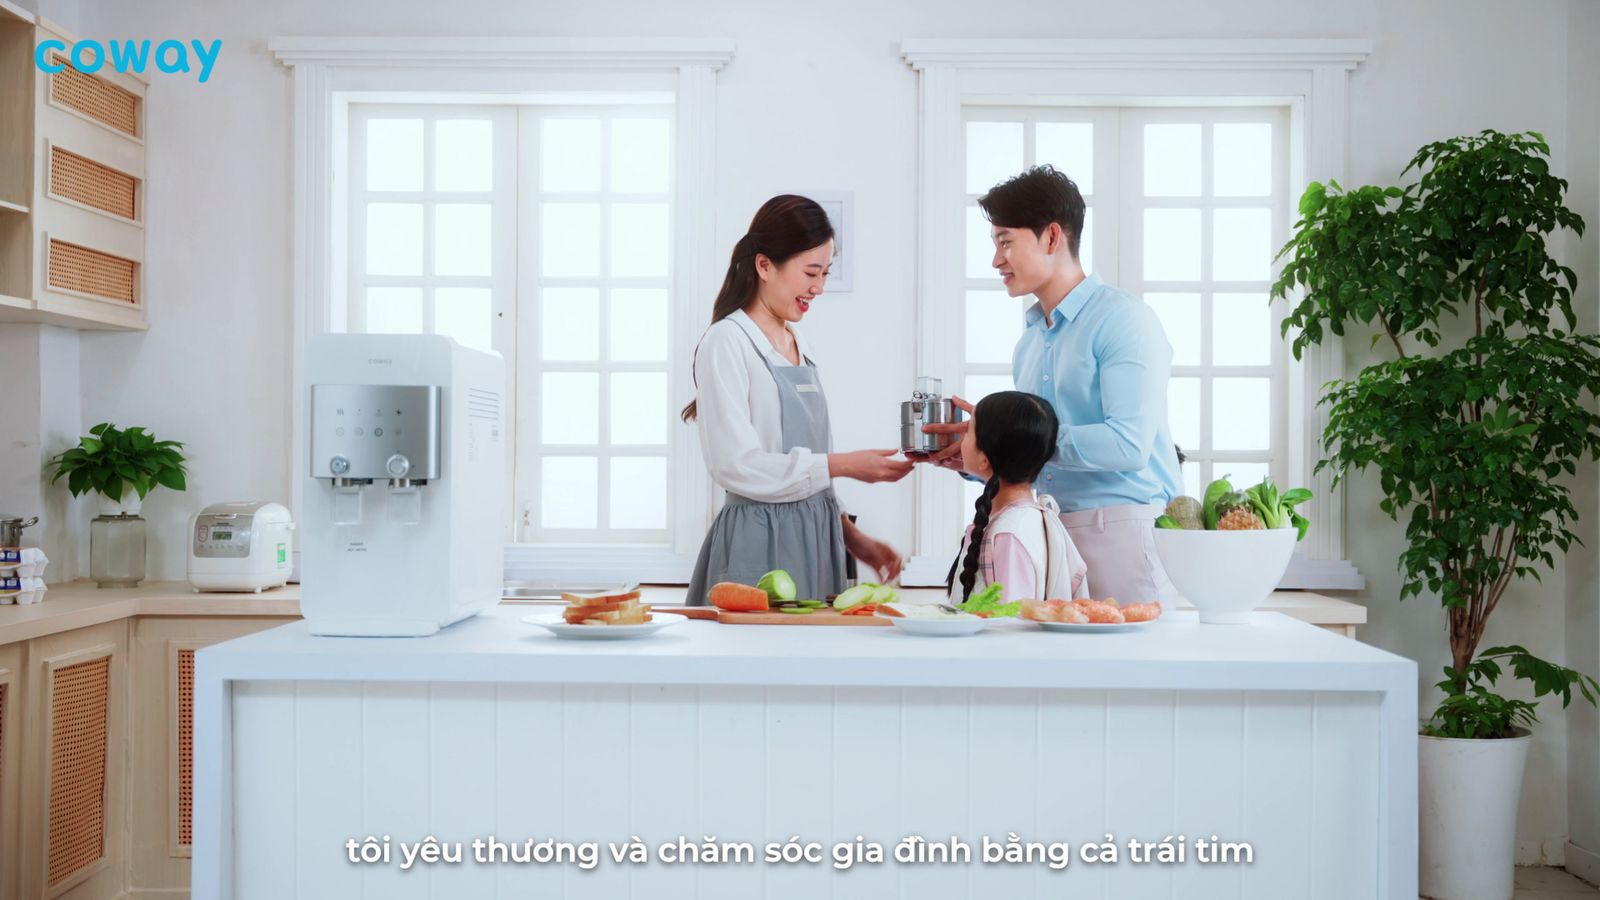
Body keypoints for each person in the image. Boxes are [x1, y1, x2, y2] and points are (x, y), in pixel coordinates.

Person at [927, 166, 1183, 606]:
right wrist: (979, 455)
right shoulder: (1029, 344)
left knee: (1134, 675)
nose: (996, 260)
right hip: (1050, 534)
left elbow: (1128, 445)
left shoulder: (1123, 321)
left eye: (1005, 241)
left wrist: (1012, 438)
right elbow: (1039, 463)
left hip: (1120, 534)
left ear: (1050, 237)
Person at [683, 195, 911, 606]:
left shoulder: (797, 343)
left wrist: (852, 537)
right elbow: (737, 465)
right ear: (764, 265)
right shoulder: (727, 342)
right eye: (811, 272)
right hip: (759, 542)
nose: (819, 287)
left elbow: (804, 463)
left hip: (816, 540)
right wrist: (845, 464)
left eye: (825, 272)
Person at [946, 390, 1089, 606]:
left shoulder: (1009, 534)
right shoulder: (1021, 522)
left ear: (984, 459)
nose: (961, 439)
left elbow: (1012, 627)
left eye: (968, 431)